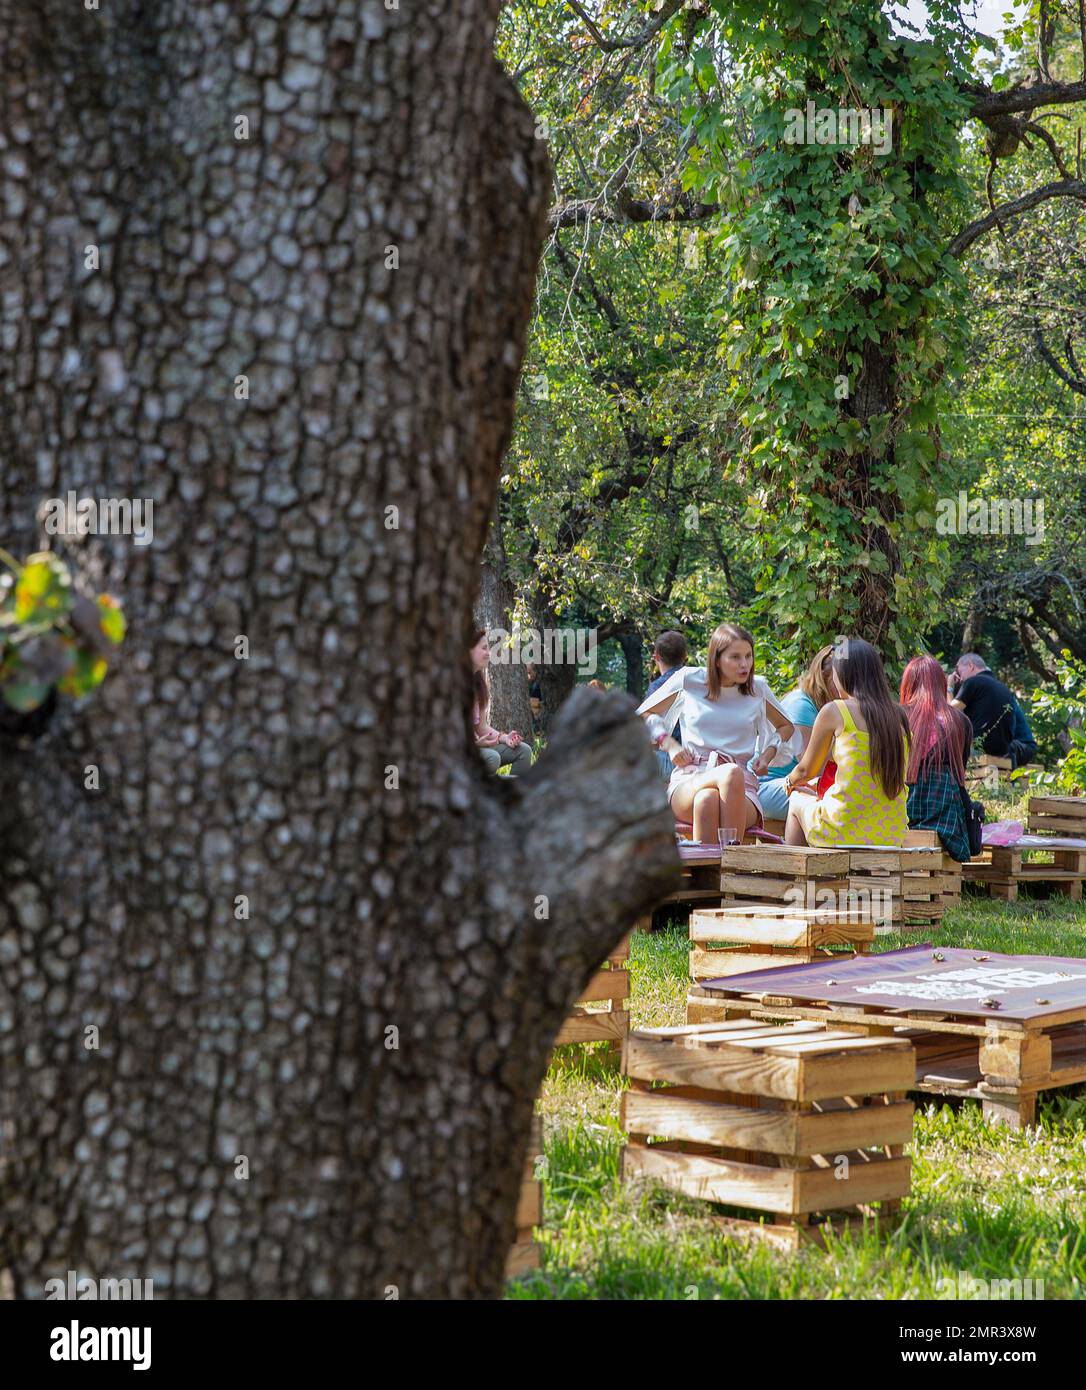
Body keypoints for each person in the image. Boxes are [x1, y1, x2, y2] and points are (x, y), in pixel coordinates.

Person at [636, 621, 799, 844]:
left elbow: (786, 726)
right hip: (690, 777)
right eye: (735, 657)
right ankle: (733, 865)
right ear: (717, 659)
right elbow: (644, 714)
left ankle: (708, 875)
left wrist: (767, 754)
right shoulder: (689, 680)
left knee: (708, 799)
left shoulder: (757, 688)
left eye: (748, 656)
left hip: (742, 789)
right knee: (728, 774)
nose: (745, 665)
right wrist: (669, 744)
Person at [783, 637, 910, 848]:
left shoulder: (835, 711)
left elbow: (807, 770)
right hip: (891, 834)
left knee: (796, 800)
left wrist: (790, 782)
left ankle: (796, 875)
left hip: (843, 829)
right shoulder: (899, 717)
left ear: (843, 675)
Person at [900, 655, 974, 861]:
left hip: (901, 812)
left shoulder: (896, 716)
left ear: (908, 683)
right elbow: (960, 773)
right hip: (947, 819)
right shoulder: (960, 721)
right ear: (941, 684)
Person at [757, 644, 838, 820]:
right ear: (824, 679)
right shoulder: (802, 707)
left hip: (794, 782)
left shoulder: (820, 704)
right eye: (840, 679)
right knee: (830, 805)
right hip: (768, 787)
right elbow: (812, 769)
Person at [950, 653, 1038, 768]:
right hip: (1004, 750)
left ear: (971, 666)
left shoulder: (973, 682)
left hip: (1011, 748)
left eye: (960, 672)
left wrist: (949, 686)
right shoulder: (1004, 688)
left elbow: (949, 712)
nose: (960, 679)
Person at [470, 629, 532, 775]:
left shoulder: (478, 685)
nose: (489, 653)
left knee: (524, 751)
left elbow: (482, 727)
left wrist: (504, 738)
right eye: (484, 648)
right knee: (492, 758)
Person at [645, 631, 688, 778]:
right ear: (685, 656)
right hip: (699, 758)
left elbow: (649, 727)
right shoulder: (696, 682)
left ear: (656, 656)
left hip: (671, 760)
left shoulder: (657, 688)